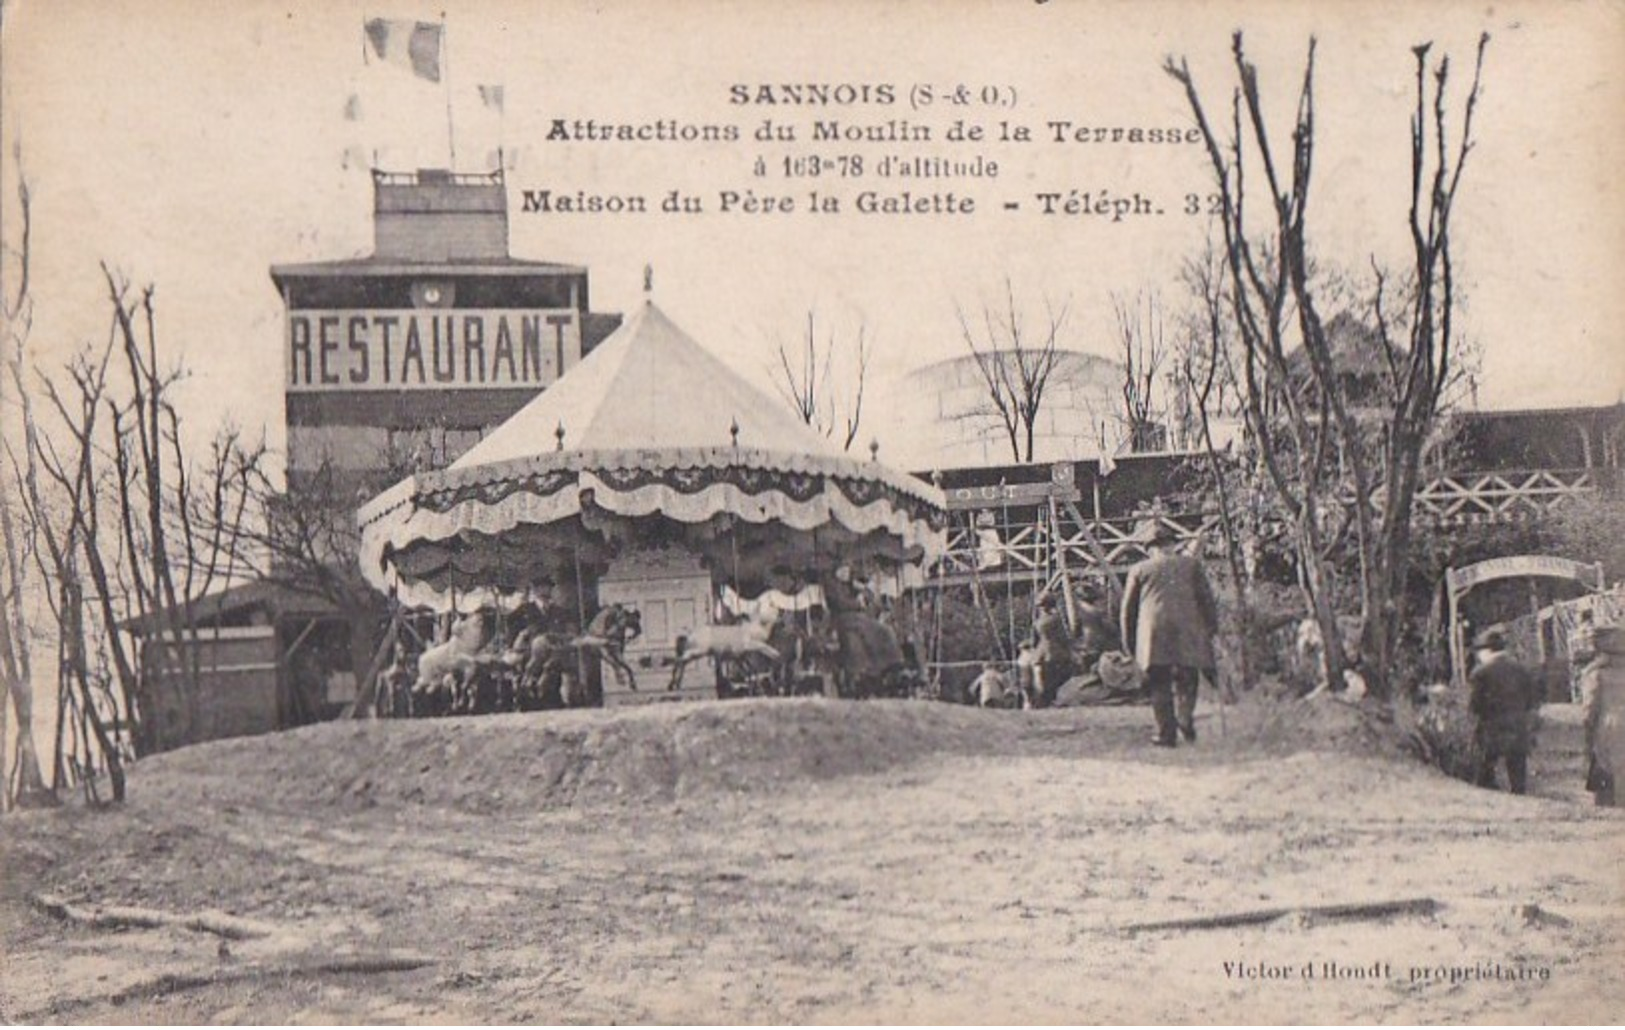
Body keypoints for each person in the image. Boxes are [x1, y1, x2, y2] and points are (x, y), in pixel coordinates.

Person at [1120, 520, 1218, 747]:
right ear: (1172, 545)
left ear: (1150, 549)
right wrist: (1211, 628)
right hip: (1188, 628)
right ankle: (1184, 717)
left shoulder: (1139, 569)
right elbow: (1207, 600)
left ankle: (1166, 732)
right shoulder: (1192, 565)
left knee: (1159, 682)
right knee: (1188, 676)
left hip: (1153, 633)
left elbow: (1128, 610)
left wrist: (1129, 642)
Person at [1467, 625, 1542, 795]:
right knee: (1517, 777)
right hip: (1518, 727)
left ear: (1486, 651)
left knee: (1485, 771)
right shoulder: (1521, 670)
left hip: (1492, 729)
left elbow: (1475, 706)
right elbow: (1532, 701)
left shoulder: (1480, 673)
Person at [1581, 625, 1625, 807]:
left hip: (1609, 728)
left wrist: (1587, 739)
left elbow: (1589, 711)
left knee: (1606, 777)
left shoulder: (1596, 674)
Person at [1026, 594, 1077, 708]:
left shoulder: (1039, 622)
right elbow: (1063, 637)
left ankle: (1043, 702)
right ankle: (1054, 701)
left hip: (1042, 654)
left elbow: (1034, 641)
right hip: (1056, 653)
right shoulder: (1056, 620)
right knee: (1057, 680)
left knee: (1044, 681)